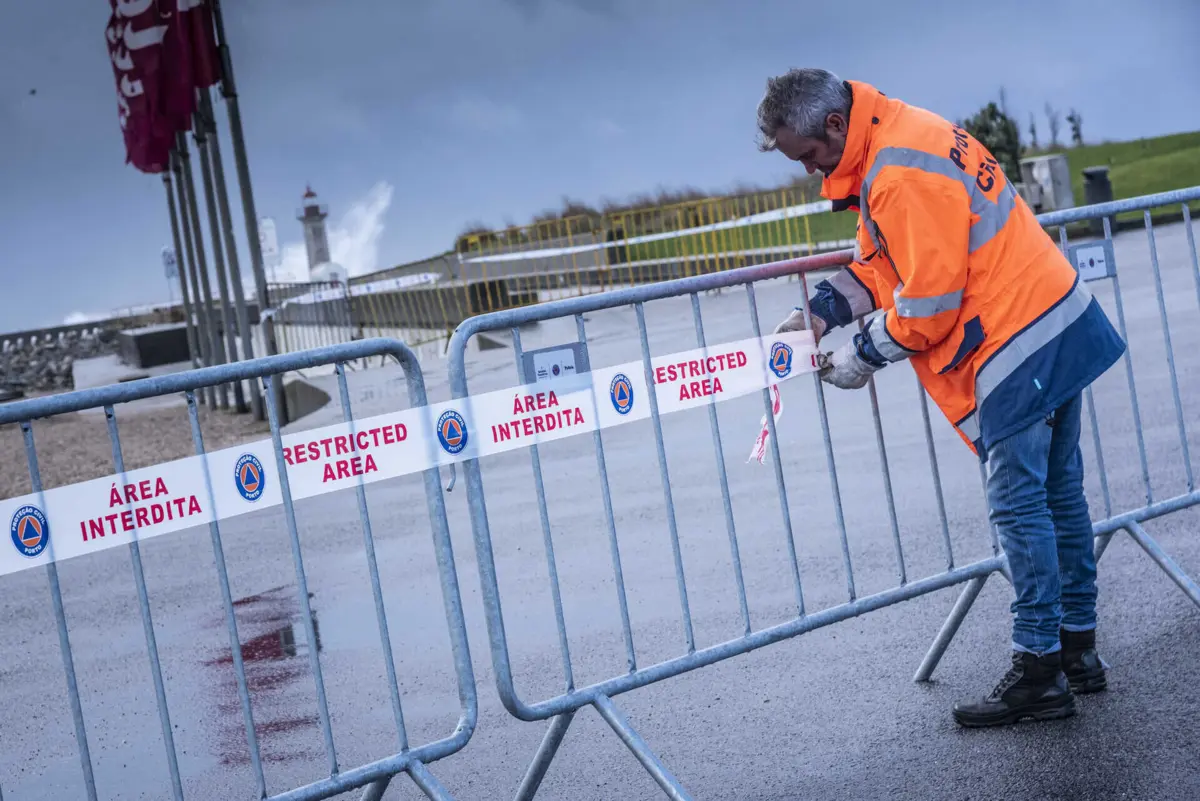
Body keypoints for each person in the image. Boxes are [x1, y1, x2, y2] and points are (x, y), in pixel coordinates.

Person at [756, 68, 1125, 727]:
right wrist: (816, 314)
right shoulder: (901, 134)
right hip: (1054, 318)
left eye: (809, 156)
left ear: (835, 124)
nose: (811, 171)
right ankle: (1077, 650)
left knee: (1020, 509)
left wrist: (862, 354)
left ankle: (1039, 670)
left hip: (1015, 342)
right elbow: (882, 263)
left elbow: (927, 305)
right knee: (1059, 496)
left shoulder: (896, 172)